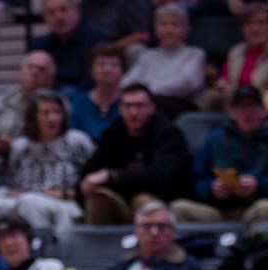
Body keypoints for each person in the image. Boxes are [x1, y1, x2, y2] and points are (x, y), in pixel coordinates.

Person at [0, 89, 96, 237]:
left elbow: (91, 179)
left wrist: (67, 194)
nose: (52, 118)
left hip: (64, 202)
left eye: (57, 112)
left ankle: (40, 252)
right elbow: (15, 181)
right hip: (27, 196)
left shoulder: (78, 141)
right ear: (33, 117)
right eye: (45, 113)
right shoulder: (20, 146)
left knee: (31, 202)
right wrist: (13, 191)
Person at [171, 85, 268, 226]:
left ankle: (252, 246)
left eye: (253, 106)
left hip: (254, 208)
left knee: (267, 207)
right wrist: (212, 188)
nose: (248, 112)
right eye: (241, 107)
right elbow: (196, 180)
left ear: (264, 111)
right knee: (178, 207)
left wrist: (260, 185)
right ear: (231, 112)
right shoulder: (216, 139)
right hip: (218, 211)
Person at [77, 84, 190, 225]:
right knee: (100, 197)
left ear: (152, 108)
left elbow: (161, 175)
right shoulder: (114, 134)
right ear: (120, 109)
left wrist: (113, 175)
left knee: (144, 202)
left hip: (160, 199)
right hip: (120, 200)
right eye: (127, 106)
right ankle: (94, 246)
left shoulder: (168, 135)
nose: (133, 112)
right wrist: (87, 183)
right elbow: (90, 171)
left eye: (139, 106)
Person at [0, 51, 57, 180]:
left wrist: (15, 147)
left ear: (51, 78)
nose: (35, 73)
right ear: (21, 72)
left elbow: (58, 147)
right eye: (30, 67)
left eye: (42, 70)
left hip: (39, 177)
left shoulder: (58, 110)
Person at [122, 4, 207, 112]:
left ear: (186, 30)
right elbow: (128, 82)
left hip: (178, 106)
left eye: (175, 25)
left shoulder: (195, 54)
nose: (168, 30)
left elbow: (187, 84)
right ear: (155, 30)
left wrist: (146, 90)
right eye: (163, 24)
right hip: (144, 104)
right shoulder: (147, 55)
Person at [215, 6, 268, 108]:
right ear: (242, 29)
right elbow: (223, 83)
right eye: (249, 24)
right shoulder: (234, 52)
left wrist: (233, 90)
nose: (254, 29)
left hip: (263, 111)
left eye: (261, 23)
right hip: (231, 107)